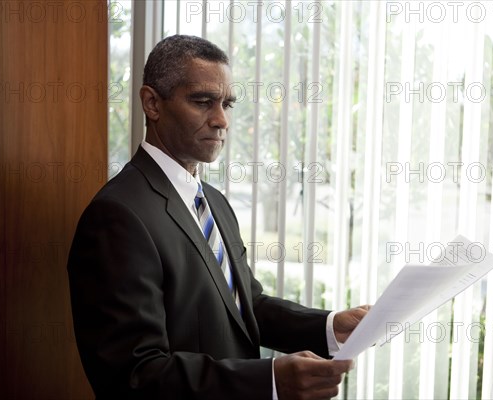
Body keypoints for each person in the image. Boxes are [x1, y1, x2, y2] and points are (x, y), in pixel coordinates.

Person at [68, 35, 369, 399]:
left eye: (227, 103)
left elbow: (245, 306)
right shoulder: (116, 216)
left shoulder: (214, 201)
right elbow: (135, 375)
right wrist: (270, 381)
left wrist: (329, 327)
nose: (222, 119)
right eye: (202, 102)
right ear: (152, 103)